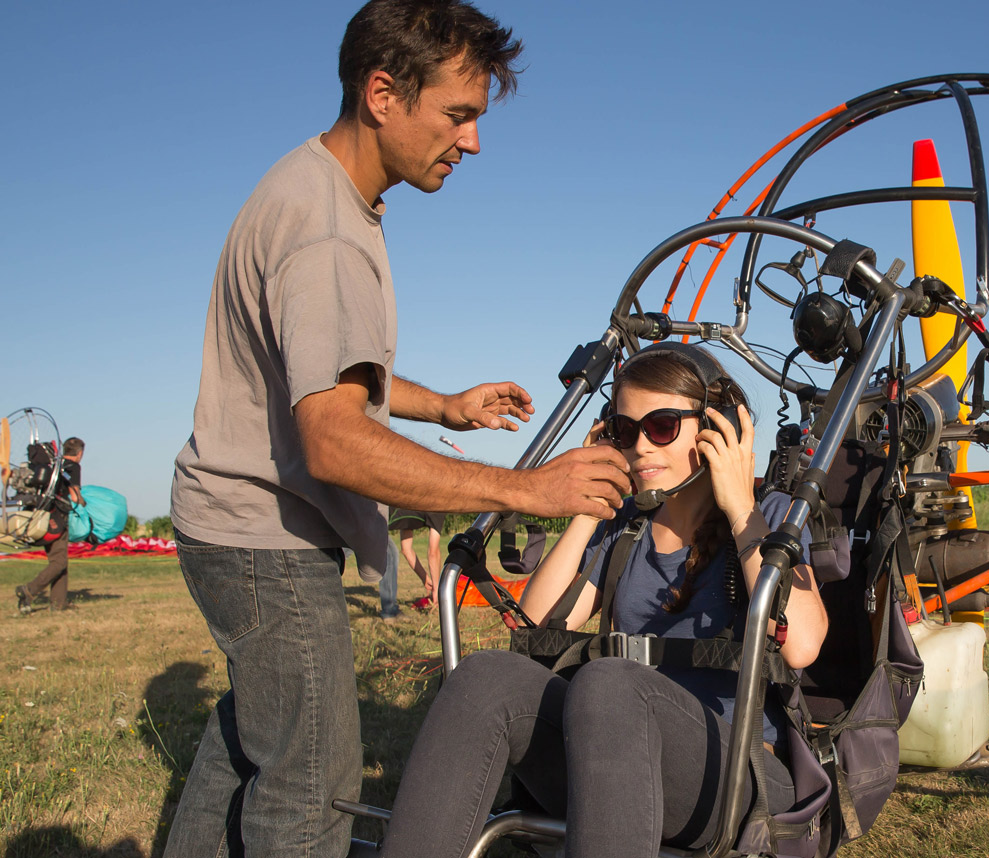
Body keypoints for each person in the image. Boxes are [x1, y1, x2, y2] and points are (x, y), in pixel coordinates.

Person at [165, 3, 630, 857]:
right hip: (265, 544)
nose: (474, 141)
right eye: (459, 114)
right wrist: (527, 488)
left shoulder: (310, 186)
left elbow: (330, 374)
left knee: (246, 753)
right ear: (383, 92)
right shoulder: (328, 232)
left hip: (225, 526)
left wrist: (445, 406)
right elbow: (334, 440)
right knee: (311, 795)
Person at [379, 343, 829, 857]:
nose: (640, 446)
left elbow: (802, 646)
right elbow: (537, 630)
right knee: (486, 676)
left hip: (729, 774)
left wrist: (741, 509)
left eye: (661, 426)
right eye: (623, 430)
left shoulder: (767, 516)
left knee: (611, 681)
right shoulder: (625, 526)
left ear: (716, 429)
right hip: (612, 751)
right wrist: (589, 510)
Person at [15, 436, 85, 614]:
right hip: (57, 517)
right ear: (79, 453)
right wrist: (83, 503)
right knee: (59, 562)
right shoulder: (73, 467)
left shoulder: (55, 465)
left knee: (59, 559)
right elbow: (75, 495)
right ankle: (29, 590)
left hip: (41, 515)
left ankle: (58, 603)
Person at [388, 507, 445, 609]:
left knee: (391, 553)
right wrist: (437, 590)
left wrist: (425, 578)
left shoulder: (412, 502)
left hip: (380, 515)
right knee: (390, 555)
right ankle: (389, 612)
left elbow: (406, 549)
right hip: (376, 514)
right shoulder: (437, 508)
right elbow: (433, 553)